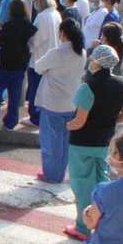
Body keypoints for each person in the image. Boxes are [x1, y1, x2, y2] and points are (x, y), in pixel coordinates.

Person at [65, 45, 123, 240]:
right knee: (102, 181)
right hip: (106, 141)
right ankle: (103, 222)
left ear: (96, 62)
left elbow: (79, 121)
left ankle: (83, 227)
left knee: (82, 185)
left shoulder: (88, 87)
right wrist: (108, 121)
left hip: (82, 142)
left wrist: (67, 126)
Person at [34, 19, 87, 184]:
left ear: (63, 33)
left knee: (51, 142)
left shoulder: (56, 53)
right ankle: (60, 172)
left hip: (53, 102)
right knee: (65, 142)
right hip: (72, 102)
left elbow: (38, 67)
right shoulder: (82, 52)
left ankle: (52, 174)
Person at [0, 0, 35, 130]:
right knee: (14, 96)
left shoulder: (8, 25)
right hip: (21, 64)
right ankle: (11, 122)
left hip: (5, 63)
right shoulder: (29, 25)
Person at [26, 0, 60, 126]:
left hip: (39, 58)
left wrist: (29, 46)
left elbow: (37, 39)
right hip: (53, 57)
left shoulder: (42, 17)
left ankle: (35, 117)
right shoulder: (56, 14)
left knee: (35, 90)